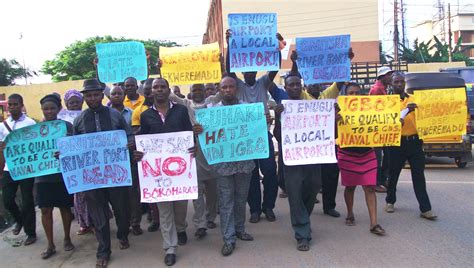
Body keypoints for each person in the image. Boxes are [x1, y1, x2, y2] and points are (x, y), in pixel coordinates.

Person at [73, 79, 133, 268]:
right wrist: (65, 152)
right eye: (88, 95)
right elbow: (73, 144)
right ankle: (103, 251)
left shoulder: (115, 115)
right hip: (93, 177)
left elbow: (129, 134)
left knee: (122, 210)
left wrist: (130, 142)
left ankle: (122, 234)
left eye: (96, 94)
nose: (92, 98)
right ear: (84, 98)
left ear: (101, 95)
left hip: (116, 174)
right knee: (98, 215)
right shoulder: (80, 119)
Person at [289, 49, 355, 218]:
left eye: (317, 83)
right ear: (306, 85)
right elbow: (294, 77)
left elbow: (340, 82)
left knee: (331, 175)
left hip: (328, 143)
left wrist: (346, 60)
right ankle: (306, 207)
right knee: (312, 180)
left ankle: (329, 206)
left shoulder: (327, 95)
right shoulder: (302, 96)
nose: (314, 85)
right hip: (309, 145)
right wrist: (295, 62)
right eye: (311, 83)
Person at [193, 76, 255, 256]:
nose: (228, 90)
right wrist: (198, 131)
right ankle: (229, 238)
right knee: (226, 201)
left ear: (236, 89)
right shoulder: (211, 112)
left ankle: (240, 228)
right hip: (223, 165)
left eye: (231, 87)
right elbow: (203, 133)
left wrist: (263, 118)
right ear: (219, 90)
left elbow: (256, 129)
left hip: (244, 163)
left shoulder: (247, 109)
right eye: (224, 87)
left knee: (241, 198)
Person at [135, 77, 193, 266]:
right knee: (164, 210)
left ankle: (181, 227)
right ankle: (170, 247)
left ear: (169, 90)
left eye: (162, 87)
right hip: (158, 174)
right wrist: (139, 153)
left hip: (180, 171)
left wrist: (195, 147)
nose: (159, 90)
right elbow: (144, 141)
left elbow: (189, 134)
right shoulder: (145, 116)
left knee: (180, 207)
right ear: (150, 92)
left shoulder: (181, 111)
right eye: (155, 87)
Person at [226, 29, 281, 223]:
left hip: (262, 135)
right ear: (242, 72)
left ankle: (269, 207)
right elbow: (228, 70)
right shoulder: (238, 86)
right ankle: (255, 209)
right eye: (246, 71)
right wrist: (230, 44)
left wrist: (276, 47)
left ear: (256, 72)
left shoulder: (263, 83)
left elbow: (274, 68)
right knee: (250, 175)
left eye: (252, 71)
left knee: (269, 173)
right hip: (245, 137)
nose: (249, 73)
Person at [273, 73, 322, 251]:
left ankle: (304, 219)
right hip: (292, 159)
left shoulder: (314, 106)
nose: (294, 87)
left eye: (297, 85)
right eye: (290, 85)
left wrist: (333, 117)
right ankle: (302, 234)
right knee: (294, 193)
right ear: (285, 89)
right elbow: (278, 136)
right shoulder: (283, 109)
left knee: (313, 187)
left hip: (313, 158)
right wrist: (278, 119)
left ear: (302, 87)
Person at [385, 72, 437, 220]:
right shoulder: (387, 103)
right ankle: (390, 201)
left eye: (402, 82)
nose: (399, 84)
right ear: (391, 84)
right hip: (396, 142)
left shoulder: (414, 99)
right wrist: (406, 111)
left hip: (414, 142)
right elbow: (387, 122)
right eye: (396, 82)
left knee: (419, 175)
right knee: (393, 173)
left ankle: (425, 209)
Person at [169, 83, 219, 235]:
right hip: (193, 153)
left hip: (212, 154)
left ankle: (211, 217)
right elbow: (170, 95)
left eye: (200, 90)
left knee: (213, 192)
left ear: (206, 92)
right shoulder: (185, 105)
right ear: (189, 93)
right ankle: (200, 224)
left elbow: (227, 90)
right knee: (196, 193)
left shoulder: (212, 103)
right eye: (194, 90)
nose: (197, 92)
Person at [337, 83, 385, 236]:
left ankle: (374, 223)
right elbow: (330, 132)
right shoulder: (339, 110)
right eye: (351, 93)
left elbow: (382, 123)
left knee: (370, 187)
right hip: (347, 153)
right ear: (345, 95)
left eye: (357, 92)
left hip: (367, 152)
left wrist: (395, 124)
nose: (355, 95)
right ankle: (350, 213)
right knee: (350, 187)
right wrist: (335, 120)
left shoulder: (371, 109)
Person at [36, 94, 75, 259]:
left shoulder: (67, 126)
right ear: (42, 110)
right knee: (45, 209)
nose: (49, 111)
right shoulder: (35, 130)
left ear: (59, 109)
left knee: (65, 207)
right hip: (43, 175)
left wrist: (65, 151)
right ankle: (50, 244)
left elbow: (75, 146)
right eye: (46, 109)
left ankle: (67, 238)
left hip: (62, 174)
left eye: (52, 108)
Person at [0, 94, 37, 246]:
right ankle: (20, 220)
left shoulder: (30, 123)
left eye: (15, 104)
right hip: (10, 167)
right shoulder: (3, 125)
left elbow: (35, 144)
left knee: (27, 201)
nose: (12, 107)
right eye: (10, 105)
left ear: (21, 105)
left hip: (26, 168)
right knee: (8, 200)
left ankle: (31, 233)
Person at [109, 85, 143, 235]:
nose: (116, 95)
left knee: (133, 193)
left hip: (129, 158)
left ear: (124, 96)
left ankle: (135, 223)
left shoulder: (132, 113)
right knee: (117, 195)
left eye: (119, 93)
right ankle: (123, 224)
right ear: (109, 96)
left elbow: (136, 132)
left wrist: (132, 141)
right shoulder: (104, 115)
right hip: (111, 161)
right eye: (113, 93)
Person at [131, 78, 161, 233]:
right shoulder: (138, 111)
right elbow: (136, 134)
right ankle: (156, 219)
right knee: (152, 190)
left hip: (166, 155)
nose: (151, 93)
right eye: (148, 91)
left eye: (153, 89)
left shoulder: (169, 109)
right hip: (148, 156)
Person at [369, 66, 394, 193]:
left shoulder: (384, 89)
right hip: (378, 128)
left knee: (387, 155)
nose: (390, 77)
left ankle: (382, 179)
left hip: (383, 127)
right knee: (378, 156)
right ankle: (376, 182)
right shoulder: (377, 89)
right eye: (389, 75)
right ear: (383, 76)